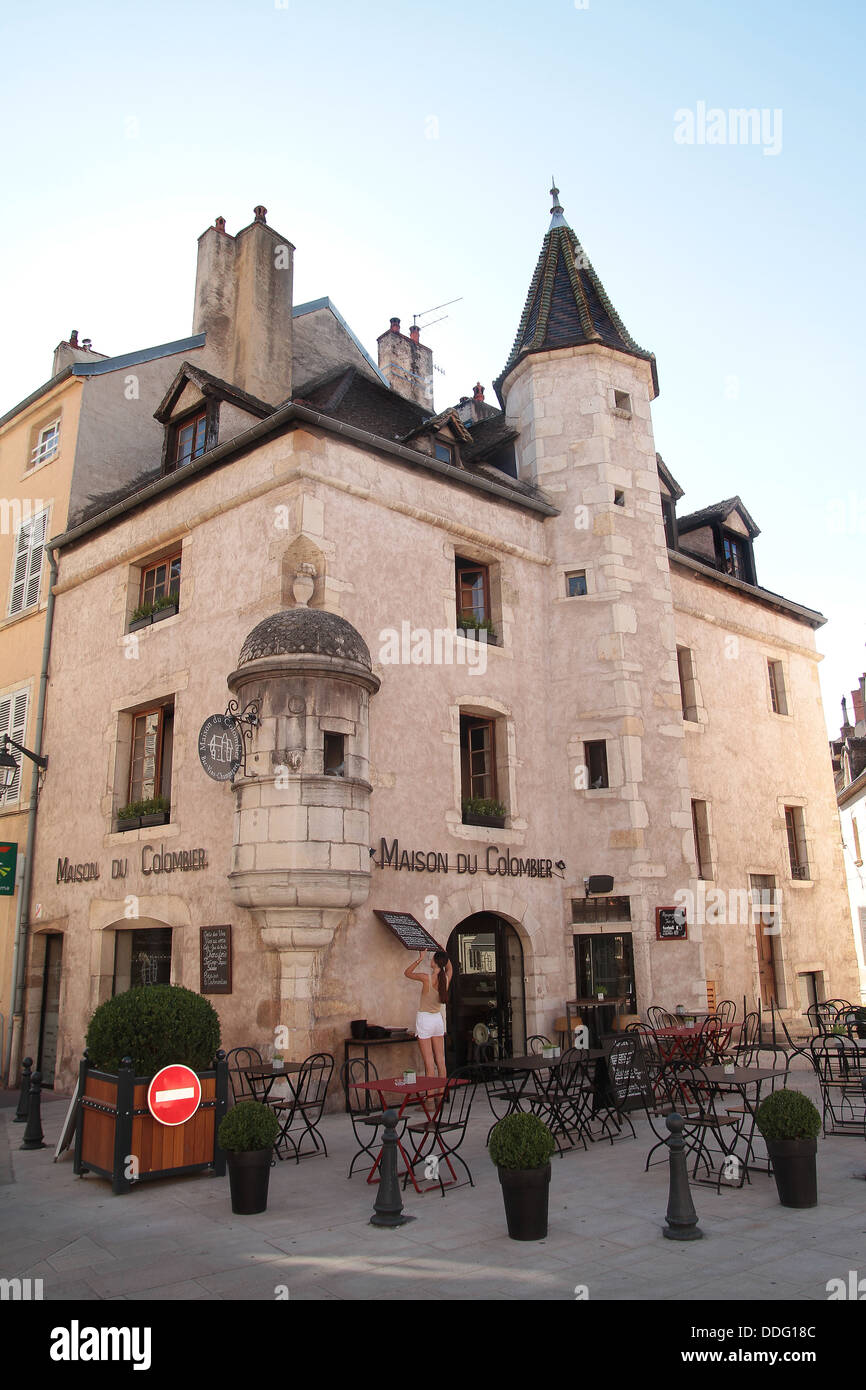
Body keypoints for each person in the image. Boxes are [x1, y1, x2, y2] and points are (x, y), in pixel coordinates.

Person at [404, 949, 452, 1076]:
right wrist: (445, 954)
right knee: (441, 1061)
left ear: (435, 962)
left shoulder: (426, 978)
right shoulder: (445, 980)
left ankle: (430, 1096)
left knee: (429, 1063)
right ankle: (441, 1095)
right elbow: (450, 969)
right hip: (437, 1020)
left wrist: (420, 958)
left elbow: (407, 973)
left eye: (432, 959)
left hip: (425, 1019)